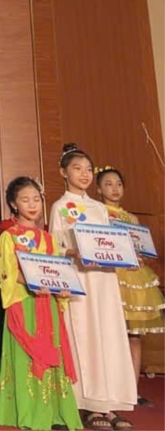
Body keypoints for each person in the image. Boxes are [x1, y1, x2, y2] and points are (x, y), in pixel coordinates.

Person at [50, 144, 136, 431]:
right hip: (80, 278)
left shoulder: (100, 208)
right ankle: (86, 403)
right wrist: (73, 252)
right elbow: (55, 247)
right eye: (77, 169)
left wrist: (125, 255)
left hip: (104, 280)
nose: (84, 174)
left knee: (109, 336)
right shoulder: (60, 207)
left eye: (88, 169)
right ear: (64, 172)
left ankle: (109, 403)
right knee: (85, 336)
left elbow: (110, 243)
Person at [0, 177, 81, 430]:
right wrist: (31, 282)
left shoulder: (48, 239)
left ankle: (54, 413)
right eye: (24, 200)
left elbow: (57, 270)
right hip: (23, 301)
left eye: (36, 199)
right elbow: (8, 271)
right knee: (26, 357)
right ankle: (29, 413)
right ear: (13, 204)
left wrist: (62, 287)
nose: (32, 205)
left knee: (51, 353)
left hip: (47, 303)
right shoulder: (9, 236)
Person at [96, 165, 165, 406]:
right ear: (98, 189)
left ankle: (132, 390)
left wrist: (141, 256)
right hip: (111, 276)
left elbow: (141, 248)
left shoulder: (132, 218)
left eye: (118, 184)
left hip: (134, 280)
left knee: (134, 335)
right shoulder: (97, 214)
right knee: (111, 333)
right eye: (108, 184)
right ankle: (110, 388)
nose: (114, 189)